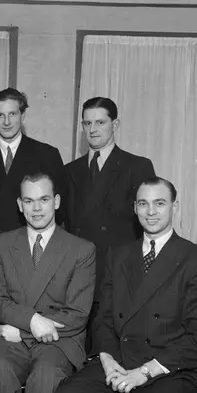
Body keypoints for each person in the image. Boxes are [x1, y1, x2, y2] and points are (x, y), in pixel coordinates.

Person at [56, 177, 197, 393]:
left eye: (159, 203)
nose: (151, 211)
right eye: (143, 204)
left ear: (175, 207)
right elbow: (104, 318)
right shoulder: (119, 255)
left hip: (174, 368)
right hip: (123, 357)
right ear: (135, 208)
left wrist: (144, 372)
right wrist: (108, 359)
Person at [0, 172, 95, 393]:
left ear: (56, 201)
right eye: (29, 201)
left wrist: (24, 329)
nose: (36, 208)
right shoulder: (1, 243)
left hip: (59, 339)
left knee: (45, 381)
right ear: (19, 205)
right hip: (8, 339)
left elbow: (77, 314)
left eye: (43, 200)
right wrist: (32, 320)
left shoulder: (81, 249)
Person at [65, 97, 156, 341]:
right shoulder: (70, 170)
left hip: (119, 274)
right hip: (79, 274)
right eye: (87, 123)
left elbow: (150, 224)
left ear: (115, 125)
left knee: (111, 345)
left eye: (100, 122)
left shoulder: (137, 166)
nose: (92, 129)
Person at [0, 88, 68, 242]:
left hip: (30, 244)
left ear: (23, 115)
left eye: (12, 114)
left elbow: (60, 208)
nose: (6, 122)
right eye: (0, 115)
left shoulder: (47, 154)